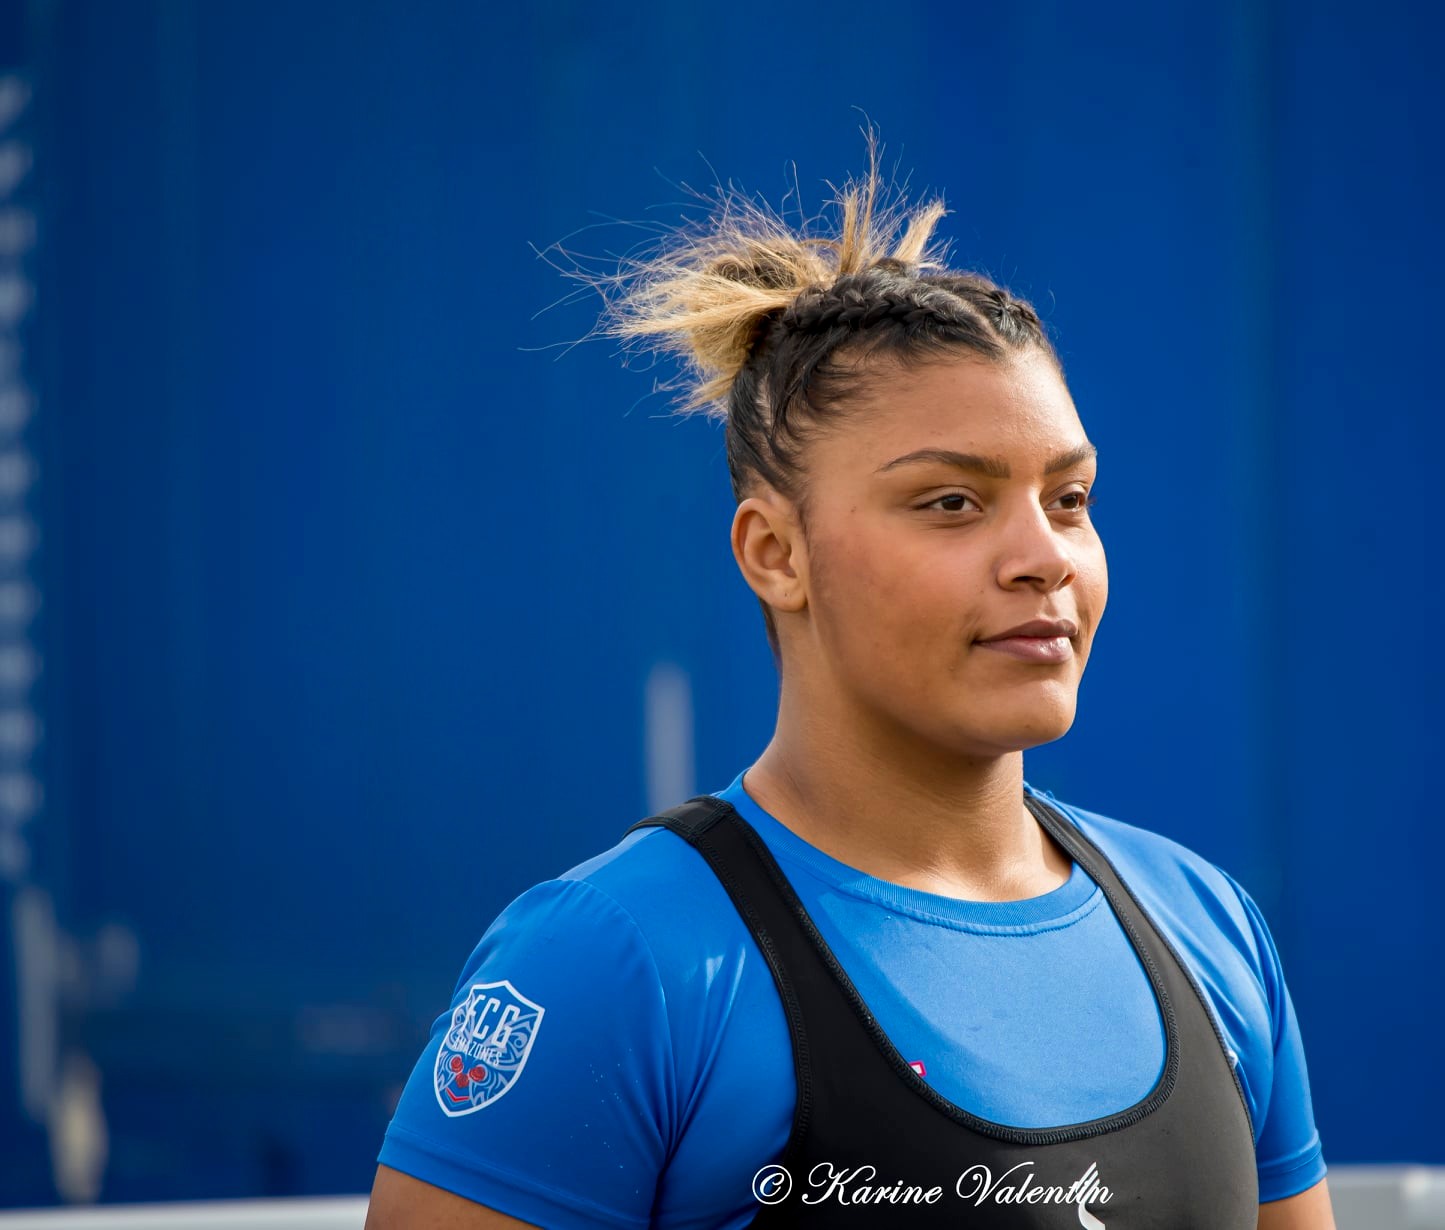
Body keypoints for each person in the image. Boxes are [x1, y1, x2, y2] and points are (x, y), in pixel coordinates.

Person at [364, 145, 1335, 1229]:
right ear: (776, 554)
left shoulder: (1207, 927)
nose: (1044, 556)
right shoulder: (619, 960)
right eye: (950, 503)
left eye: (1069, 498)